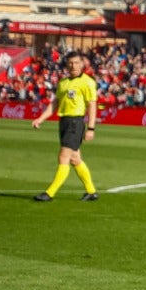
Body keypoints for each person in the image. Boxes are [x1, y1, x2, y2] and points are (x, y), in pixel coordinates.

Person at [31, 51, 100, 202]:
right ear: (67, 65)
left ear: (82, 64)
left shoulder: (88, 82)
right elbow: (55, 103)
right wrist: (41, 119)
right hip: (64, 122)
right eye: (71, 63)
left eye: (76, 62)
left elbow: (92, 106)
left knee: (64, 156)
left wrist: (91, 128)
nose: (73, 65)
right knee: (75, 159)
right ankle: (91, 192)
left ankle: (50, 193)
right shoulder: (63, 83)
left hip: (76, 122)